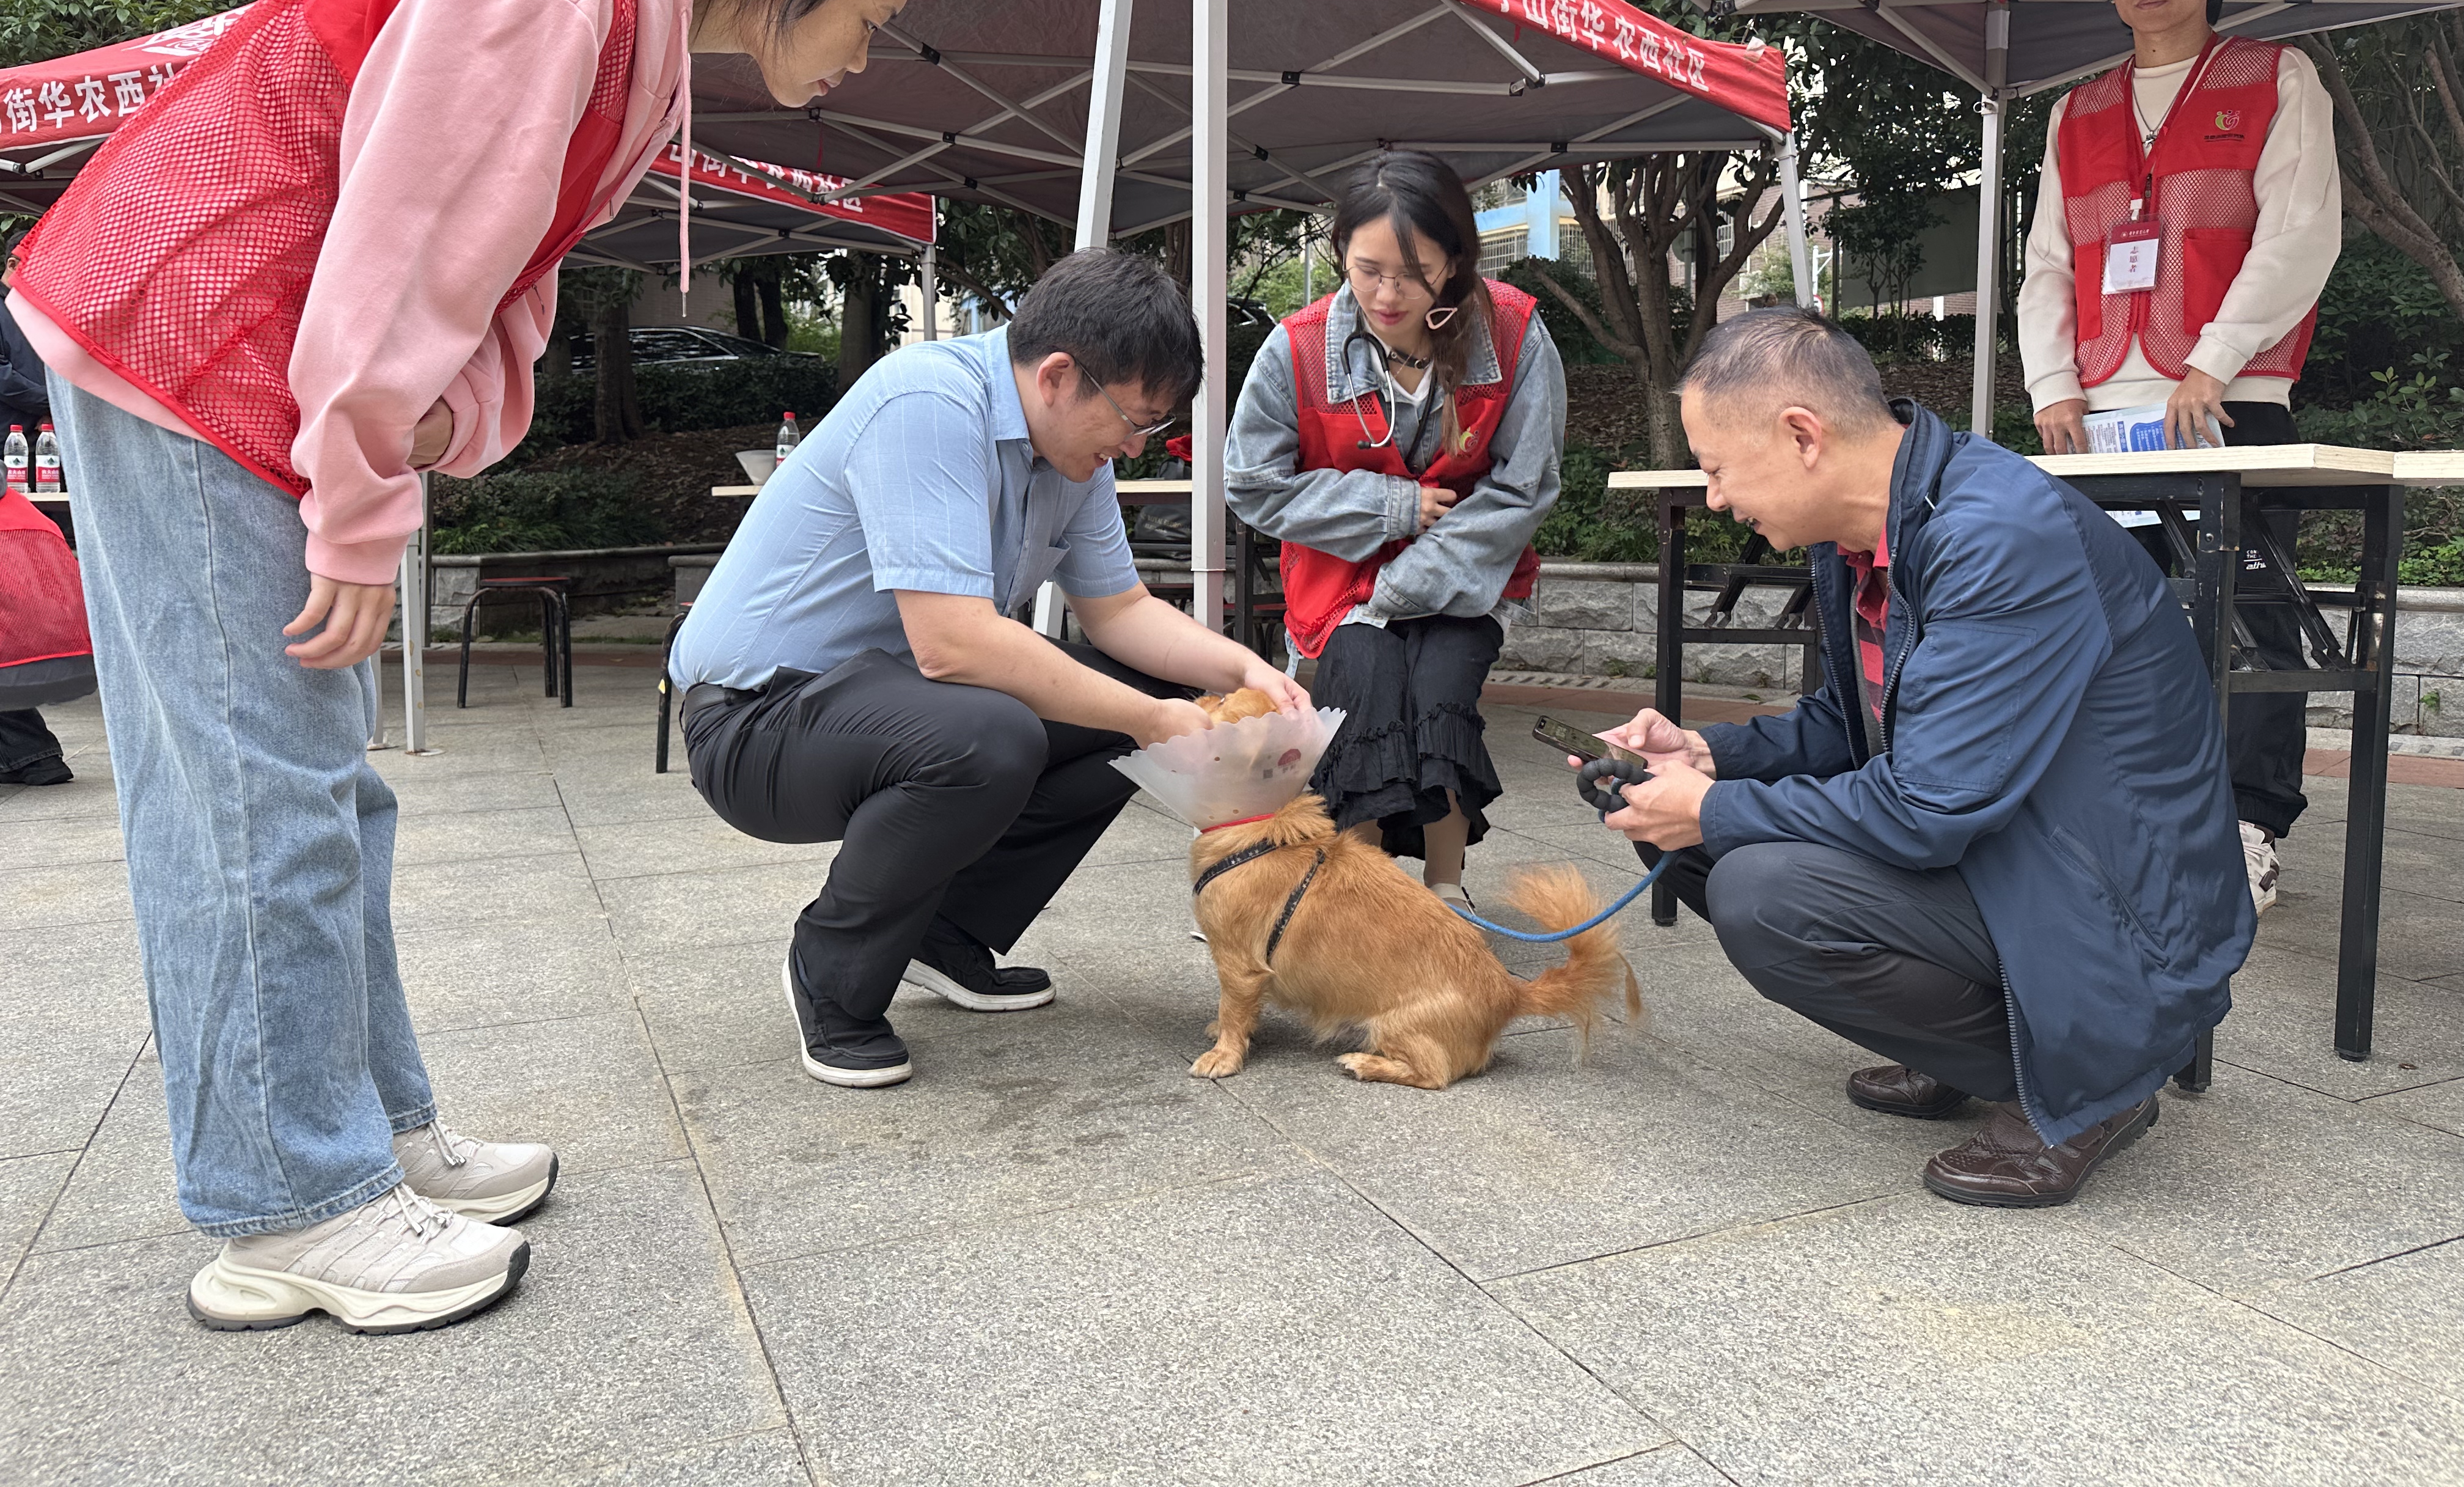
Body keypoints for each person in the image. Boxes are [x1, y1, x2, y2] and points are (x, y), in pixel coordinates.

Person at [5, 0, 929, 1332]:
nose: (867, 52)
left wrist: (423, 446)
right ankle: (287, 1202)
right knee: (255, 791)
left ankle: (361, 1138)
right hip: (196, 348)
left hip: (224, 350)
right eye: (870, 14)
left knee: (316, 785)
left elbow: (480, 277)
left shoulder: (602, 1)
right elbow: (398, 258)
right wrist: (369, 499)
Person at [1591, 309, 2250, 1208]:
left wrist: (1709, 805)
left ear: (1801, 436)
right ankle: (1966, 1051)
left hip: (2114, 905)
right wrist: (1706, 753)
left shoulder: (1997, 538)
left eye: (1715, 469)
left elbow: (1930, 805)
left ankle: (2096, 1082)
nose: (1713, 499)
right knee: (1678, 828)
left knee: (1762, 892)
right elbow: (1850, 721)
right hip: (2010, 849)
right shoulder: (1867, 531)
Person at [670, 248, 1308, 1090]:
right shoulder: (928, 402)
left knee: (1149, 700)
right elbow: (953, 644)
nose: (1135, 446)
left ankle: (947, 934)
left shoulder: (1070, 459)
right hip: (756, 724)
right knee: (1003, 732)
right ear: (1056, 377)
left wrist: (1242, 672)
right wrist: (1150, 721)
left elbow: (1120, 613)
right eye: (1137, 419)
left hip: (889, 707)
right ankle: (832, 974)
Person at [2017, 0, 2341, 916]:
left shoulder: (2275, 78)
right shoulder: (2077, 110)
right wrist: (2050, 386)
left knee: (2252, 619)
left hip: (2227, 399)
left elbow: (2299, 235)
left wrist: (2216, 358)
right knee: (2108, 621)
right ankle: (2129, 812)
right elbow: (2046, 265)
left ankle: (2247, 824)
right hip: (2101, 413)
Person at [1226, 150, 1565, 908]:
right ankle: (1366, 895)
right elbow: (1250, 483)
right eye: (1366, 268)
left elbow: (1525, 485)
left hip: (1467, 582)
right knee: (1366, 692)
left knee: (1442, 689)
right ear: (1341, 252)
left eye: (1413, 274)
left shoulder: (1513, 333)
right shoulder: (1296, 347)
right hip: (1340, 591)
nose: (1386, 293)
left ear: (1457, 260)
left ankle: (1445, 891)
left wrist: (1406, 578)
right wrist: (1393, 508)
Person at [0, 237, 74, 785]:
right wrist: (52, 400)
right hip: (16, 434)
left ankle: (31, 755)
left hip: (43, 442)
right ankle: (32, 755)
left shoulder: (51, 307)